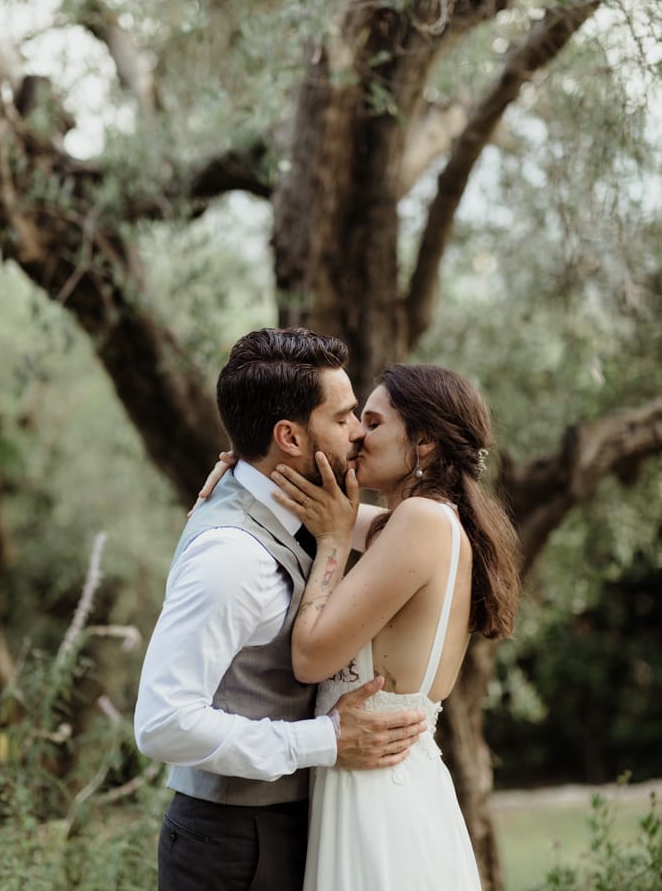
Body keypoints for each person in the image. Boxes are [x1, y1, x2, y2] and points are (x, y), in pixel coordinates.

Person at [134, 329, 427, 891]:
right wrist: (325, 741)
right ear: (289, 437)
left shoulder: (305, 506)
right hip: (233, 846)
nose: (359, 435)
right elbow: (162, 722)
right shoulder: (232, 556)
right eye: (343, 419)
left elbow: (416, 537)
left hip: (280, 829)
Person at [268, 363, 521, 890]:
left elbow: (311, 656)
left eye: (375, 422)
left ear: (424, 442)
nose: (358, 433)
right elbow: (298, 504)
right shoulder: (415, 522)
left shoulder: (421, 521)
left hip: (378, 802)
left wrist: (335, 545)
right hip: (389, 789)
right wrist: (240, 466)